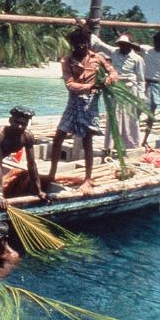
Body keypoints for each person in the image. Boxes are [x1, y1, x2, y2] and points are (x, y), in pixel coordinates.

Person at [48, 24, 118, 193]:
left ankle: (88, 178)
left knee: (87, 140)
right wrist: (92, 85)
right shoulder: (67, 60)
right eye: (79, 44)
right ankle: (52, 173)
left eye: (85, 43)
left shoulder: (98, 58)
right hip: (74, 101)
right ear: (74, 44)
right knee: (59, 137)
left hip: (91, 102)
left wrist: (109, 79)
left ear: (88, 42)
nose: (82, 47)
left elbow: (113, 72)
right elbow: (70, 84)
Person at [0, 106, 47, 205]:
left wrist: (39, 191)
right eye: (17, 122)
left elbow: (32, 165)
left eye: (23, 124)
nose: (20, 126)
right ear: (10, 120)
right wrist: (0, 194)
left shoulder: (28, 137)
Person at [90, 31, 146, 153]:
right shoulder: (114, 52)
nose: (122, 47)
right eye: (120, 44)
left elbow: (141, 79)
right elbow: (100, 44)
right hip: (115, 88)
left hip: (130, 89)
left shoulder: (137, 59)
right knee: (114, 116)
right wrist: (87, 30)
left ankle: (131, 144)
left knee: (130, 117)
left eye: (124, 44)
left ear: (130, 46)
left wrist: (141, 96)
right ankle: (111, 145)